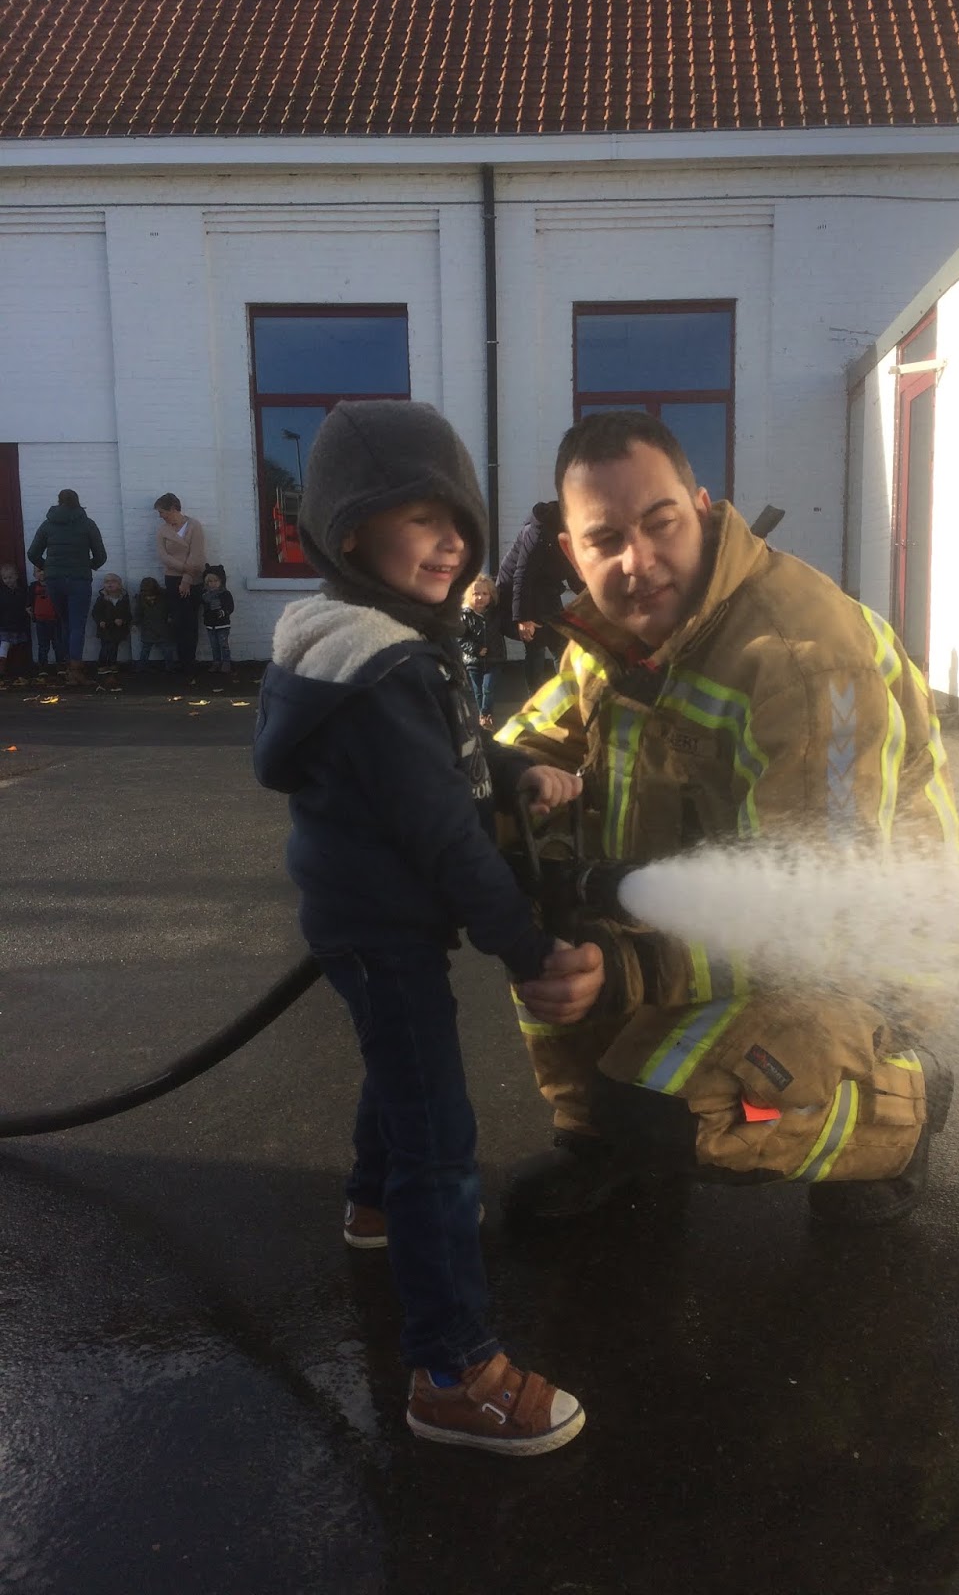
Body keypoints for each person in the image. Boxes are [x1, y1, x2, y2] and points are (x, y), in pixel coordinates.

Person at [498, 410, 959, 1226]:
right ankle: (597, 1142)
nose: (638, 562)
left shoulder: (804, 661)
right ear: (572, 553)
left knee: (665, 1109)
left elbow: (815, 908)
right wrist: (475, 796)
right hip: (691, 936)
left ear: (703, 510)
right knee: (535, 908)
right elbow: (533, 741)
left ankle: (893, 1116)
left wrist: (626, 967)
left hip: (850, 959)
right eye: (606, 540)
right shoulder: (610, 638)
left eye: (661, 523)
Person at [253, 399, 604, 1456]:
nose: (450, 541)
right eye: (419, 517)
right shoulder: (384, 668)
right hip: (385, 922)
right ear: (350, 531)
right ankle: (453, 1373)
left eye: (458, 518)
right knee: (441, 1137)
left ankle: (372, 1206)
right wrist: (529, 951)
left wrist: (513, 763)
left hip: (365, 918)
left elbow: (443, 750)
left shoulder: (380, 641)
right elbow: (447, 838)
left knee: (399, 1066)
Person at [495, 501, 583, 692]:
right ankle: (535, 698)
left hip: (547, 590)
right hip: (521, 591)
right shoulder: (536, 533)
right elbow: (522, 575)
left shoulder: (570, 535)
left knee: (561, 642)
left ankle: (568, 694)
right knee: (537, 645)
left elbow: (573, 573)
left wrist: (596, 598)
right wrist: (522, 618)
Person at [26, 489, 107, 687]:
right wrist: (88, 565)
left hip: (54, 581)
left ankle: (65, 667)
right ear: (78, 502)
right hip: (79, 580)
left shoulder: (48, 524)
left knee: (64, 622)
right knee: (77, 625)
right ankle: (75, 671)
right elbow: (101, 556)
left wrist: (48, 567)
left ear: (58, 502)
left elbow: (33, 553)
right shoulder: (87, 524)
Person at [154, 493, 206, 672]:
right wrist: (184, 568)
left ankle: (189, 661)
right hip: (172, 578)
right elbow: (163, 555)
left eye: (162, 512)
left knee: (190, 621)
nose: (161, 516)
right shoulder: (163, 530)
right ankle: (180, 659)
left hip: (193, 580)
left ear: (173, 509)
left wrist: (187, 578)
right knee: (177, 620)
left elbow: (197, 554)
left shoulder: (194, 526)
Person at [459, 573, 506, 728]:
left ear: (491, 596)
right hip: (473, 661)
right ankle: (483, 716)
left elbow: (506, 628)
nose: (480, 597)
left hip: (494, 659)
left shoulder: (495, 614)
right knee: (478, 690)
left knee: (488, 688)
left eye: (485, 594)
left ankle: (486, 714)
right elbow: (460, 638)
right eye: (476, 594)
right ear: (469, 596)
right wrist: (475, 649)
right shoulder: (465, 615)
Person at [132, 576, 176, 671]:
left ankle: (170, 667)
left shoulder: (164, 596)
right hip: (148, 627)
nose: (149, 597)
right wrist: (135, 623)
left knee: (167, 649)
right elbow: (138, 612)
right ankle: (141, 667)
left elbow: (171, 608)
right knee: (145, 649)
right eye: (147, 595)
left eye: (151, 594)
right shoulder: (140, 599)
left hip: (163, 628)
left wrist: (171, 617)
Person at [91, 573, 131, 675]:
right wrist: (100, 621)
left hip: (118, 628)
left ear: (119, 584)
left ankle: (112, 663)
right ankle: (102, 664)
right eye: (107, 582)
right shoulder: (101, 599)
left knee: (114, 647)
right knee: (105, 647)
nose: (110, 584)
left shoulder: (124, 599)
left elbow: (127, 613)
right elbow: (96, 612)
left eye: (113, 581)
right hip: (105, 628)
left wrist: (122, 620)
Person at [26, 567, 63, 677]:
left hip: (55, 620)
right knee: (43, 645)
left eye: (44, 570)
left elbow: (61, 600)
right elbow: (28, 602)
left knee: (58, 644)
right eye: (38, 571)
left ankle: (60, 665)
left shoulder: (55, 585)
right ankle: (42, 667)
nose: (42, 573)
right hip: (40, 621)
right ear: (34, 574)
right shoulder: (33, 587)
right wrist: (30, 611)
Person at [200, 564, 235, 674]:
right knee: (214, 645)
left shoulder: (225, 594)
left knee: (223, 644)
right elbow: (204, 608)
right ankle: (216, 662)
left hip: (222, 624)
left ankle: (226, 662)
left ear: (221, 581)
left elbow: (230, 607)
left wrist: (224, 612)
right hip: (210, 625)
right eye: (210, 581)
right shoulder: (205, 596)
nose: (213, 584)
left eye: (216, 581)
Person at [0, 564, 28, 687]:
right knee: (4, 645)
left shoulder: (22, 591)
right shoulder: (2, 593)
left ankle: (20, 669)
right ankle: (1, 667)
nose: (8, 580)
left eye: (10, 577)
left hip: (19, 623)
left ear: (16, 576)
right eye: (5, 578)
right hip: (5, 625)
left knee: (20, 646)